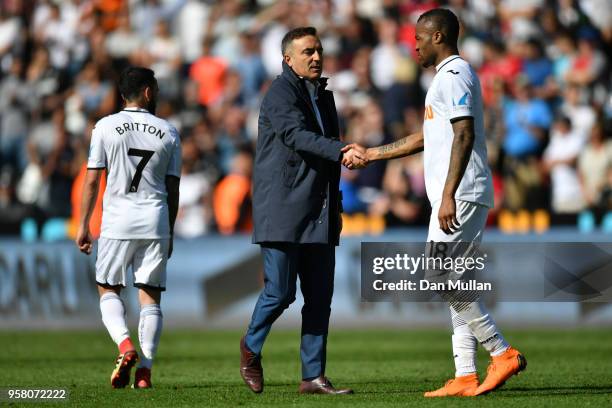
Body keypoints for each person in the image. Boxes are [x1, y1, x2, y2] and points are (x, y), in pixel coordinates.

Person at [344, 9, 526, 397]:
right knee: (452, 280)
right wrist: (372, 154)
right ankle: (464, 374)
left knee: (440, 273)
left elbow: (464, 134)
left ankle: (501, 351)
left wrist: (447, 195)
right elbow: (427, 136)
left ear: (439, 37)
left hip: (459, 192)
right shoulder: (444, 80)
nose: (414, 45)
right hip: (455, 192)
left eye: (419, 38)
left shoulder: (456, 74)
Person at [239, 26, 363, 395]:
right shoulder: (279, 92)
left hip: (320, 209)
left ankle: (313, 377)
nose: (316, 57)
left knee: (320, 296)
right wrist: (341, 150)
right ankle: (250, 347)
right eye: (307, 51)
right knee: (280, 293)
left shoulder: (323, 95)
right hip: (282, 208)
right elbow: (295, 136)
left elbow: (321, 148)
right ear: (287, 59)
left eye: (319, 50)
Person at [75, 67, 181, 389]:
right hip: (155, 219)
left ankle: (125, 345)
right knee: (150, 298)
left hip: (118, 221)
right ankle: (145, 372)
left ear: (122, 95)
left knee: (108, 289)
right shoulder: (169, 132)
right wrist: (170, 230)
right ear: (148, 92)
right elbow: (173, 188)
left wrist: (83, 224)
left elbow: (93, 179)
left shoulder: (105, 127)